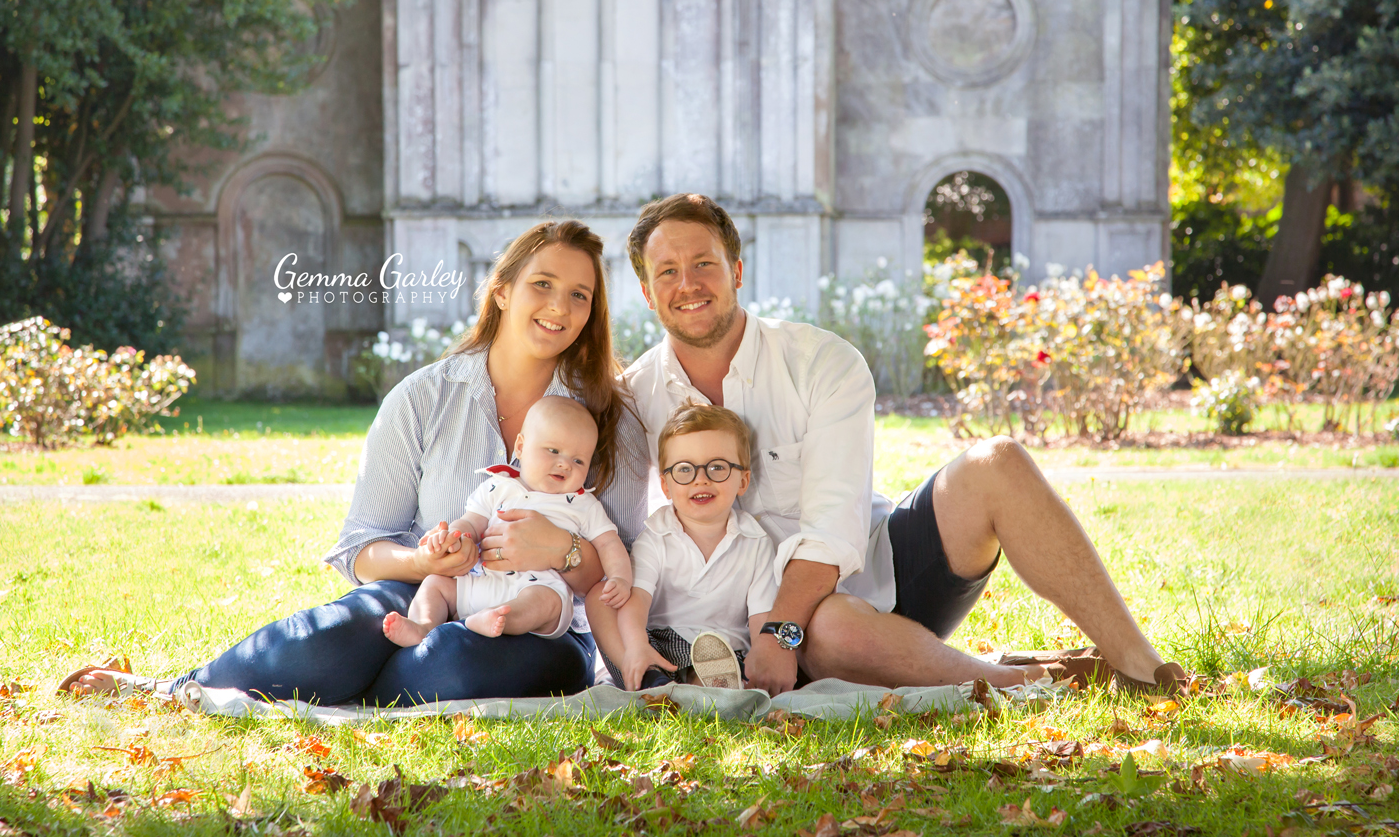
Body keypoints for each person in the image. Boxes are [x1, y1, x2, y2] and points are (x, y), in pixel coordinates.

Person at [58, 220, 648, 706]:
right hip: (424, 594)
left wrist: (563, 552)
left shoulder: (604, 414)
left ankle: (360, 689)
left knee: (453, 664)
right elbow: (362, 548)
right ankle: (176, 689)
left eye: (579, 294)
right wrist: (423, 558)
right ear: (502, 290)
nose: (559, 307)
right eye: (542, 284)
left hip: (538, 622)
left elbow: (619, 571)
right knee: (329, 640)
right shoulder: (424, 397)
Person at [621, 193, 1189, 697]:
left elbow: (830, 531)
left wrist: (779, 631)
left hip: (874, 575)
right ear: (647, 292)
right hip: (761, 628)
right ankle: (1028, 682)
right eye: (667, 271)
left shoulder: (821, 361)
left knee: (997, 462)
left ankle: (1140, 664)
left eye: (703, 263)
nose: (687, 284)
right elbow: (617, 535)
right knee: (833, 627)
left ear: (737, 270)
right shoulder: (634, 398)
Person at [381, 395, 633, 645]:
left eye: (578, 460)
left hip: (537, 587)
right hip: (480, 581)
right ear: (521, 448)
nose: (565, 464)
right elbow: (470, 523)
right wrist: (453, 538)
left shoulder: (582, 504)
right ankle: (423, 625)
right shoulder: (498, 486)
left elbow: (609, 543)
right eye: (553, 450)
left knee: (546, 602)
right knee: (435, 584)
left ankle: (495, 620)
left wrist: (620, 578)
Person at [587, 402, 778, 691]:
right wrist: (638, 646)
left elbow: (760, 617)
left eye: (717, 467)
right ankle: (648, 677)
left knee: (720, 670)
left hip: (726, 651)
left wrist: (762, 660)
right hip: (657, 645)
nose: (700, 479)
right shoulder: (656, 535)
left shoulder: (756, 542)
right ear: (665, 486)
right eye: (685, 470)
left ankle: (703, 686)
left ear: (743, 480)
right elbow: (635, 601)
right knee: (599, 598)